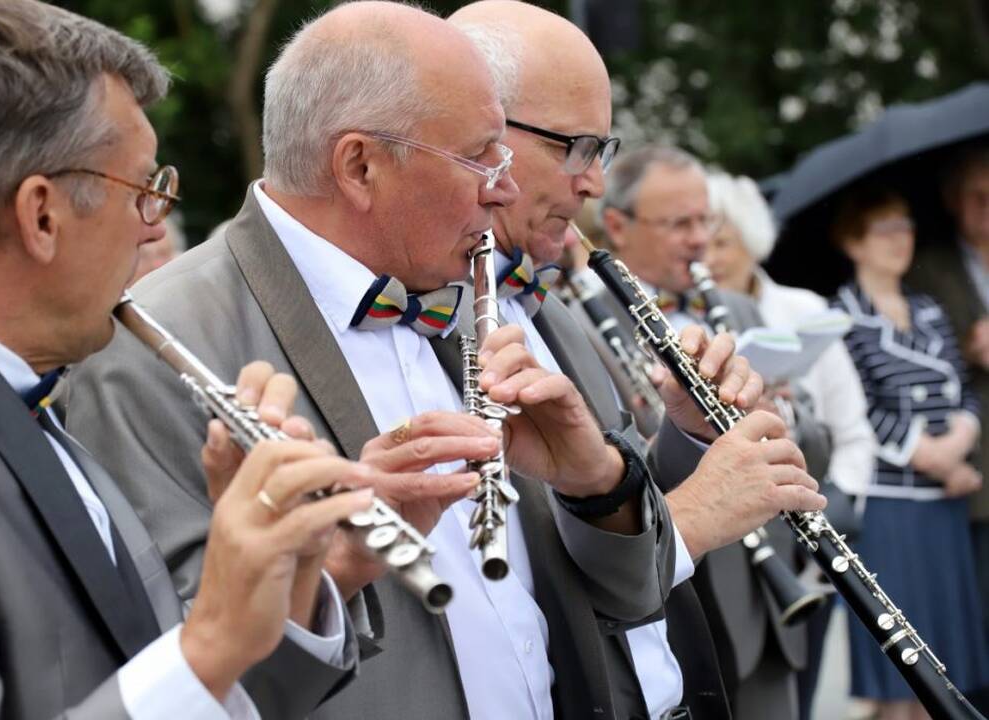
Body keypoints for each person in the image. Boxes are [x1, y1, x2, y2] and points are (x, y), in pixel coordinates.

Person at [64, 4, 824, 719]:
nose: (503, 189)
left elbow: (592, 590)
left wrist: (601, 486)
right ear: (359, 167)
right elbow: (183, 666)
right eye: (477, 157)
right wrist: (332, 566)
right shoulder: (152, 347)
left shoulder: (468, 284)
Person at [0, 1, 369, 717]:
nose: (151, 232)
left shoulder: (27, 403)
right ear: (41, 215)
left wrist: (283, 584)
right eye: (146, 191)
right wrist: (213, 636)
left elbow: (166, 687)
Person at [447, 5, 799, 717]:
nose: (593, 184)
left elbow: (605, 494)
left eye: (600, 151)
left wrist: (691, 434)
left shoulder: (547, 308)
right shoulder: (433, 317)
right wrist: (696, 517)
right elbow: (516, 578)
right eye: (575, 148)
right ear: (482, 135)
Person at [598, 146, 831, 720]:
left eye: (707, 221)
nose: (699, 239)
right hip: (678, 600)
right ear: (617, 226)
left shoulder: (741, 312)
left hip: (770, 607)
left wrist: (786, 419)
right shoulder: (580, 320)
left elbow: (816, 449)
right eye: (680, 223)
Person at [703, 170, 878, 718]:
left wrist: (838, 507)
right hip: (734, 550)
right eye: (699, 237)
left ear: (750, 239)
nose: (708, 254)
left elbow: (853, 429)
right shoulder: (684, 313)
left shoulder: (801, 309)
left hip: (809, 541)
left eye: (722, 240)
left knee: (799, 693)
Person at [831, 184, 989, 720]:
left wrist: (960, 442)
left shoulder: (930, 310)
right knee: (900, 679)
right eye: (886, 229)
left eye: (907, 227)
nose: (902, 240)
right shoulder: (841, 314)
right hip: (890, 510)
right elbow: (856, 404)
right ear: (855, 243)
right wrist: (932, 456)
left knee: (942, 673)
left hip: (943, 506)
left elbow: (964, 388)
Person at [906, 147, 989, 706]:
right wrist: (969, 347)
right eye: (977, 196)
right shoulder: (930, 267)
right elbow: (915, 354)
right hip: (973, 467)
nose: (987, 208)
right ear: (954, 202)